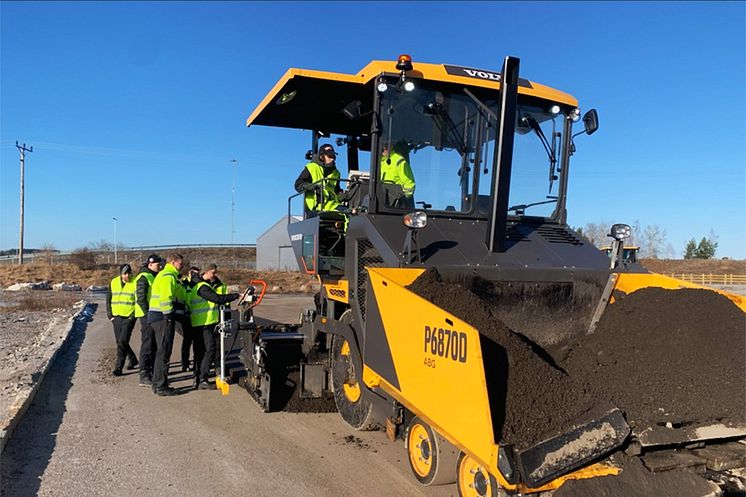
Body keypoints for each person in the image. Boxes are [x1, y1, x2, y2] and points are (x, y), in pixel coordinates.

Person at [191, 264, 239, 390]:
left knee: (205, 350)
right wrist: (235, 296)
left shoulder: (202, 285)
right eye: (213, 272)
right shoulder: (202, 287)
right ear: (206, 272)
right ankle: (202, 378)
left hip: (206, 322)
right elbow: (216, 298)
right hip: (203, 323)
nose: (214, 275)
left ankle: (200, 378)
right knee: (209, 349)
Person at [147, 252, 184, 396]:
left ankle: (158, 383)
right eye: (180, 263)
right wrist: (169, 316)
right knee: (164, 351)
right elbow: (166, 297)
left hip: (155, 316)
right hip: (162, 317)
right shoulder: (169, 277)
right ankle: (161, 386)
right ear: (173, 262)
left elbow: (179, 294)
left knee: (160, 351)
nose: (182, 266)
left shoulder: (163, 275)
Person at [134, 254, 162, 387]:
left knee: (153, 345)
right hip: (147, 316)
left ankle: (150, 371)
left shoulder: (153, 276)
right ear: (150, 264)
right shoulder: (143, 277)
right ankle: (144, 374)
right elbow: (141, 298)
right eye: (158, 265)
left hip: (153, 315)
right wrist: (147, 314)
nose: (160, 266)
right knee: (147, 344)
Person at [106, 264, 139, 376]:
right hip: (116, 316)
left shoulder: (135, 282)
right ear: (120, 274)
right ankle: (133, 358)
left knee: (122, 341)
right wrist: (110, 314)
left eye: (129, 273)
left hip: (129, 317)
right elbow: (108, 298)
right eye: (125, 273)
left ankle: (118, 367)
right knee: (119, 341)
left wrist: (133, 316)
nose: (127, 276)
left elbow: (139, 301)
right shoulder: (113, 282)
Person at [294, 143, 345, 214]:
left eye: (333, 156)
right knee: (346, 214)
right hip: (315, 207)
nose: (332, 158)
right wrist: (312, 186)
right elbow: (298, 185)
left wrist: (345, 195)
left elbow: (336, 191)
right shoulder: (312, 167)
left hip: (331, 205)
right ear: (322, 157)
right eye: (329, 156)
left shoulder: (336, 173)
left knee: (351, 213)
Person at [177, 266, 200, 372]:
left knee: (197, 341)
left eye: (197, 274)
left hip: (197, 316)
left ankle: (197, 363)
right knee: (187, 340)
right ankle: (184, 363)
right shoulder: (183, 283)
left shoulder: (199, 284)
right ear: (189, 273)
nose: (196, 276)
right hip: (186, 316)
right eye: (194, 274)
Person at [380, 141, 416, 208]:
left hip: (396, 205)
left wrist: (402, 199)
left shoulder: (399, 161)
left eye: (386, 145)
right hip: (382, 201)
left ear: (391, 146)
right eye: (383, 146)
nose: (384, 148)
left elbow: (409, 184)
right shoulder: (381, 161)